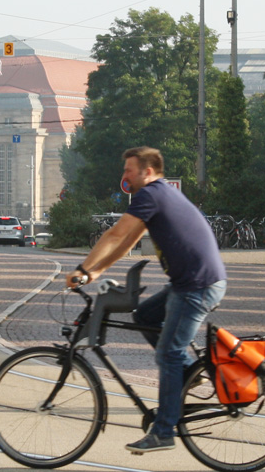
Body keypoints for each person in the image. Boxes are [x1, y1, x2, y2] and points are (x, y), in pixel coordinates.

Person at [67, 146, 226, 454]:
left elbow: (114, 234)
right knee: (143, 316)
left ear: (148, 171)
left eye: (129, 170)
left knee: (167, 353)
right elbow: (127, 240)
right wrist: (96, 271)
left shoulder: (151, 194)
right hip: (192, 282)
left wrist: (83, 269)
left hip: (197, 286)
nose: (124, 175)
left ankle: (164, 431)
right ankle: (188, 374)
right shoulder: (158, 196)